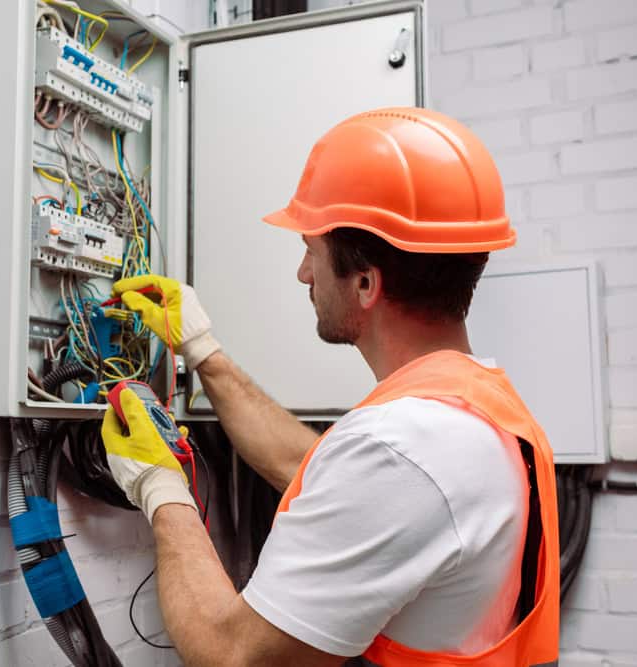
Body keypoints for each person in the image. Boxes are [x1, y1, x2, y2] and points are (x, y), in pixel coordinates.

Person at [100, 107, 560, 667]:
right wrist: (201, 349)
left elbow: (233, 653)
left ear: (365, 283)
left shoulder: (402, 449)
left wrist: (160, 488)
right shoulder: (471, 409)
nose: (302, 273)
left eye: (311, 252)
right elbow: (310, 468)